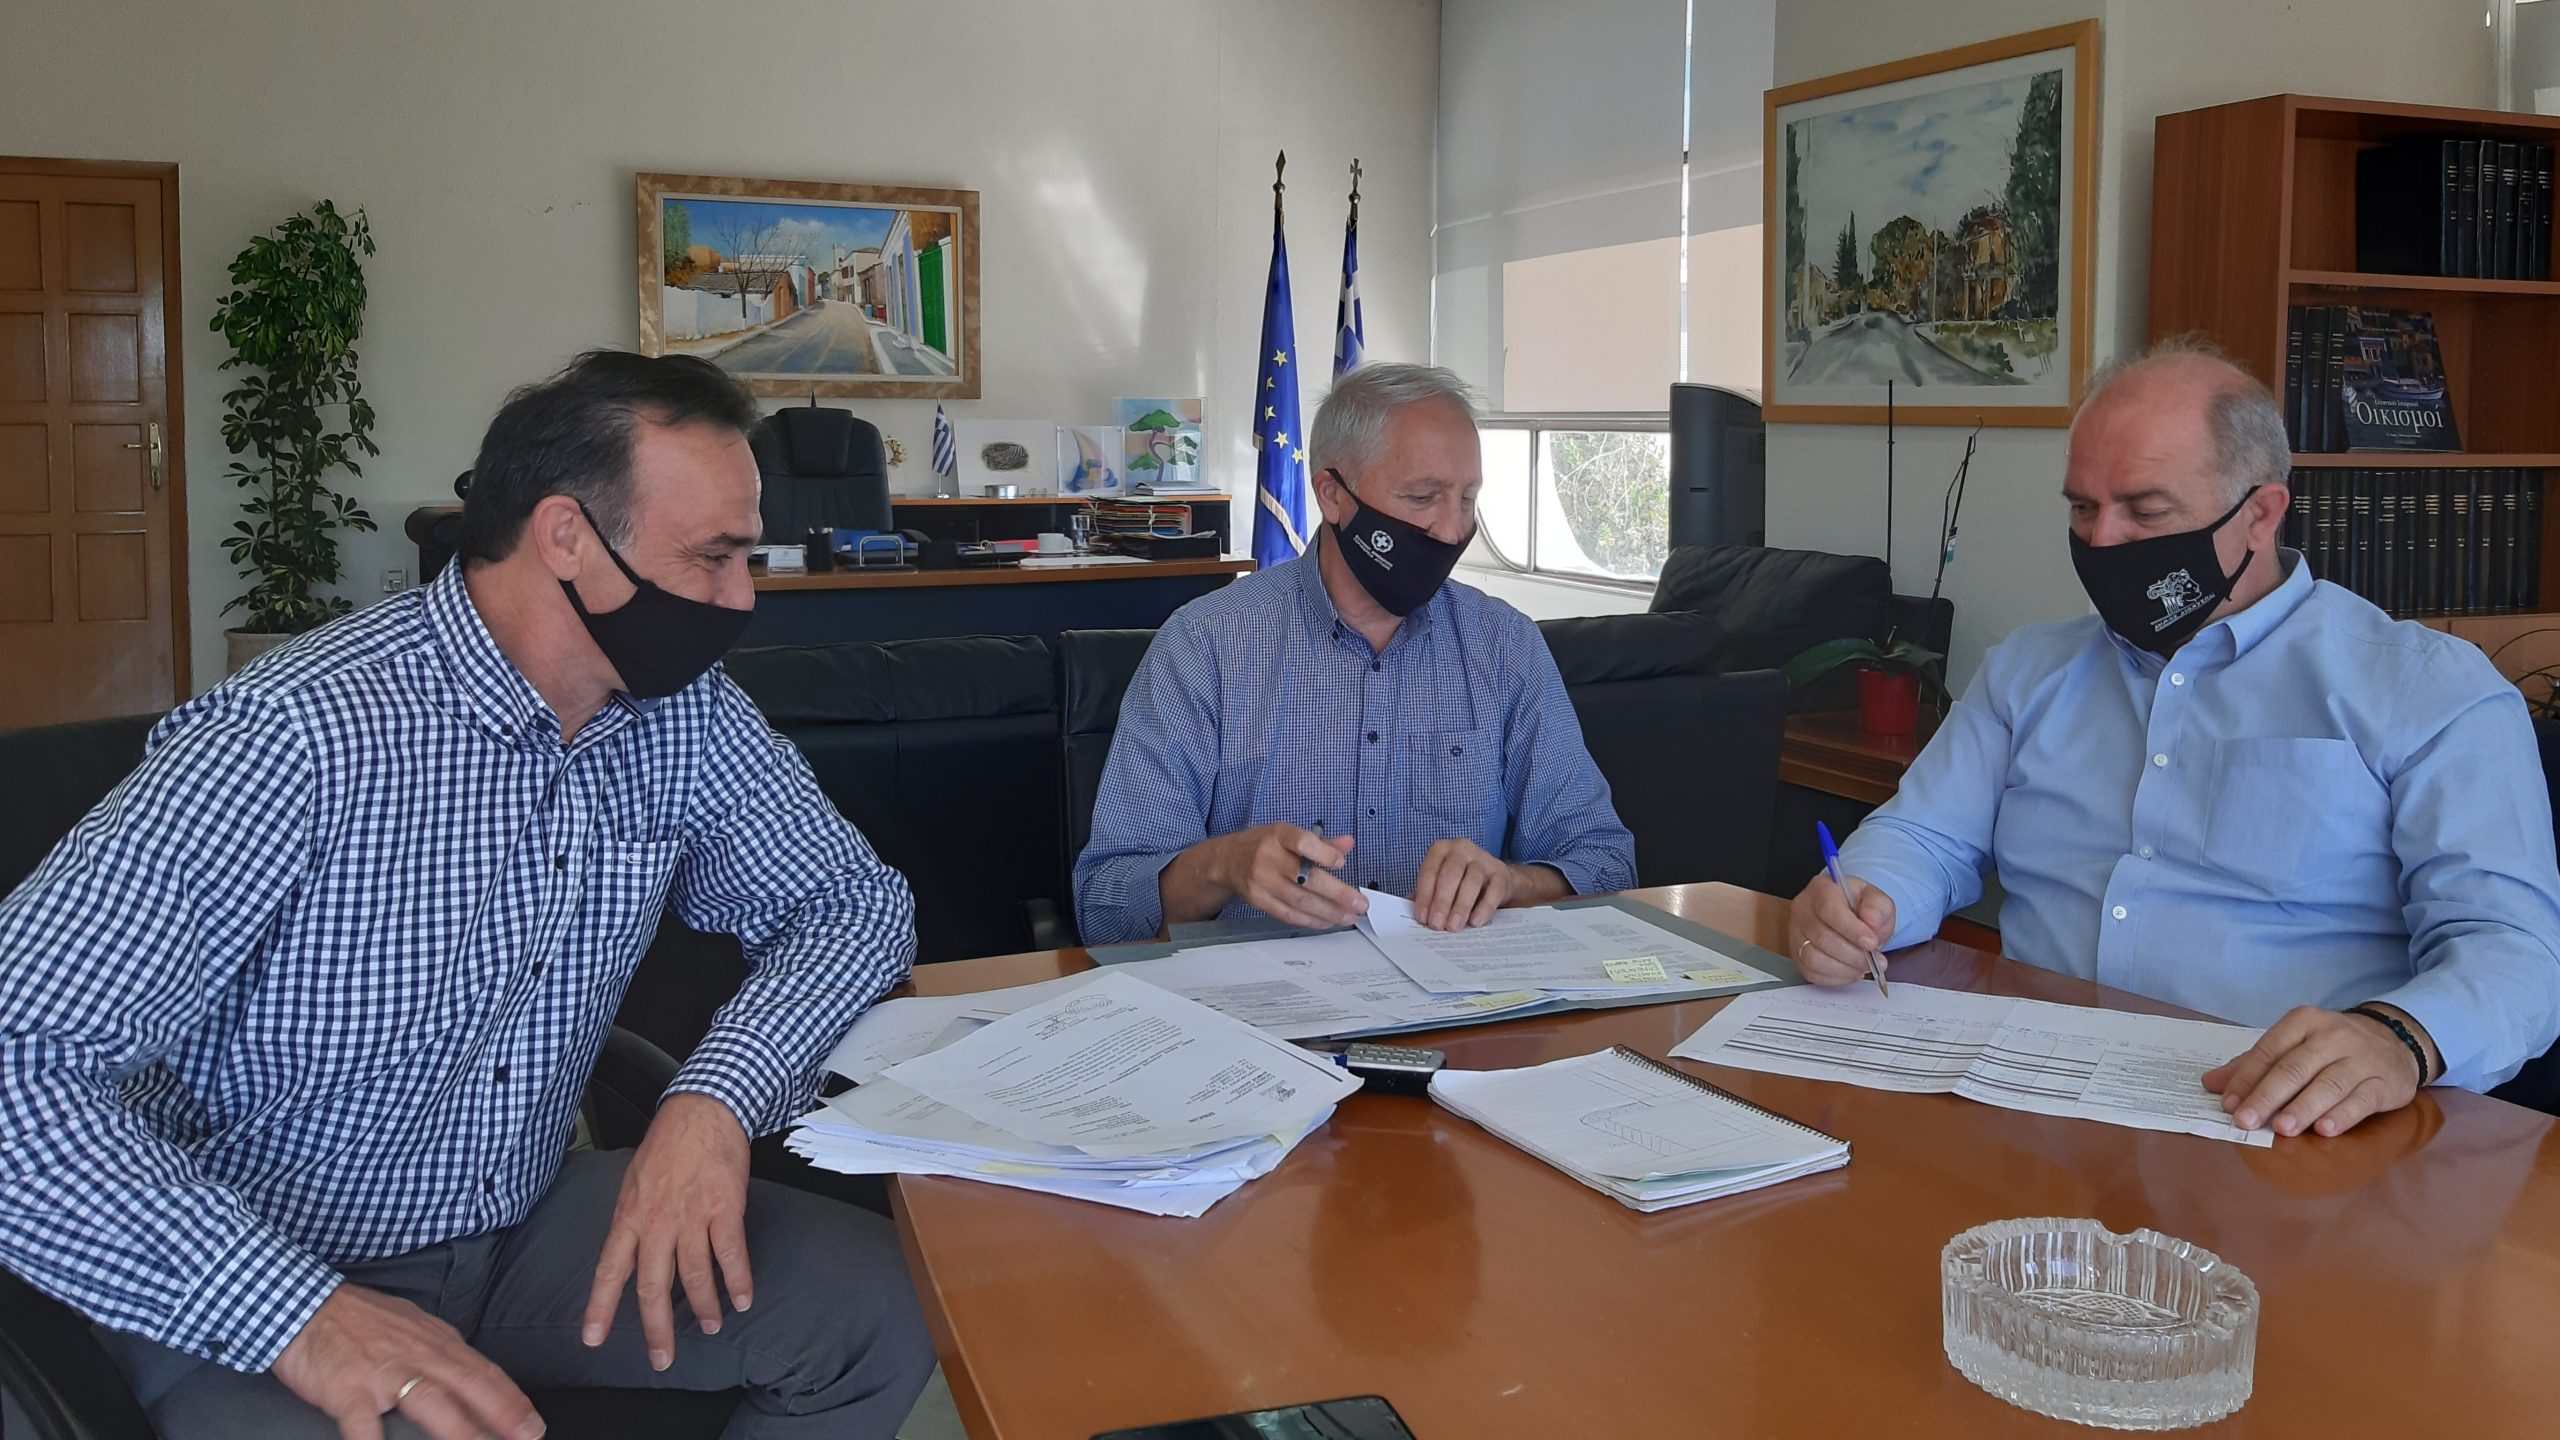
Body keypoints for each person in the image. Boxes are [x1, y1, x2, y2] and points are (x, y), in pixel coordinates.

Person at [0, 352, 935, 1439]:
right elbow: (17, 1064)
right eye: (712, 557)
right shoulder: (295, 736)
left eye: (747, 557)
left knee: (880, 1313)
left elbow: (853, 904)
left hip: (512, 1220)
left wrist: (715, 1100)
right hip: (255, 1269)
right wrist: (301, 1316)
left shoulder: (685, 713)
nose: (742, 597)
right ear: (566, 536)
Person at [1790, 338, 2560, 1140]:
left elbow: (2514, 953)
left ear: (2260, 514)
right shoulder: (2028, 669)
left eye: (2146, 511)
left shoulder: (2427, 691)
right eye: (2082, 509)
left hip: (2281, 1125)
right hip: (2031, 1106)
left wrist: (2399, 1037)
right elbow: (1924, 836)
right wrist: (1862, 904)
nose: (2102, 542)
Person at [1073, 362, 1634, 944]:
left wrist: (1512, 882)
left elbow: (1606, 863)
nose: (1452, 531)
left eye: (1468, 498)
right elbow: (1106, 907)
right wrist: (1223, 866)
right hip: (1259, 990)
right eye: (1423, 497)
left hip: (1457, 989)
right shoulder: (1205, 646)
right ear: (1333, 495)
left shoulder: (1504, 646)